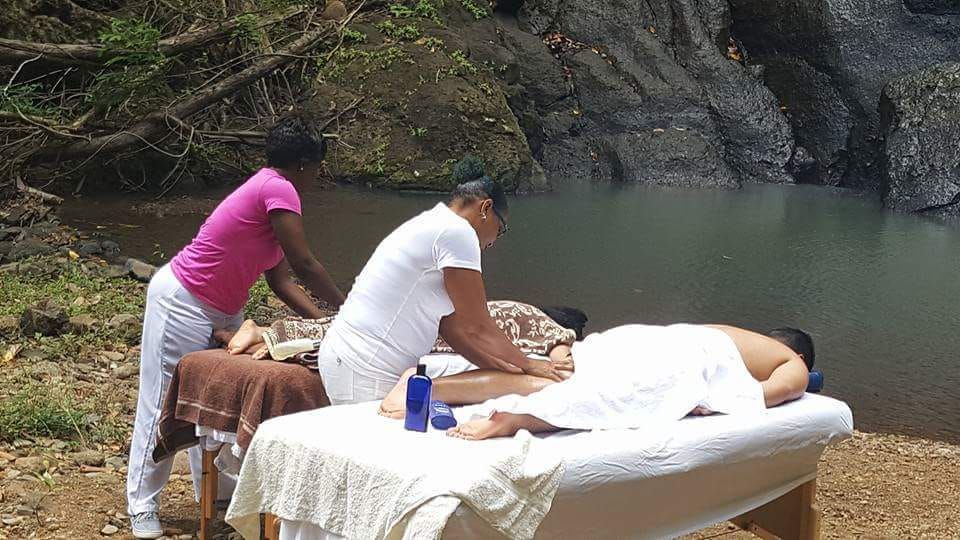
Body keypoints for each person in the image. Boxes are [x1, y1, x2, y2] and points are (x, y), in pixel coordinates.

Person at [126, 114, 346, 539]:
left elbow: (281, 280)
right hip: (183, 300)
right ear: (303, 164)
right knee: (161, 401)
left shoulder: (270, 192)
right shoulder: (279, 188)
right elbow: (305, 265)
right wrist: (345, 308)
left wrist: (325, 323)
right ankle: (141, 504)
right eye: (317, 167)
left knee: (212, 395)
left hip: (225, 308)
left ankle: (213, 493)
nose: (318, 176)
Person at [317, 158, 572, 406]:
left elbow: (452, 329)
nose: (494, 241)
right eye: (500, 228)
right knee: (527, 383)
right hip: (364, 371)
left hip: (345, 360)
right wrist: (529, 365)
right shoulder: (458, 233)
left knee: (504, 376)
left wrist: (501, 366)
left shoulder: (435, 222)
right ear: (485, 208)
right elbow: (478, 328)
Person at [378, 322, 815, 440]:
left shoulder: (736, 335)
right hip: (684, 356)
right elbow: (791, 384)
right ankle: (519, 419)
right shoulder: (785, 357)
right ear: (796, 350)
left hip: (640, 338)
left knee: (554, 374)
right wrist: (729, 397)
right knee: (611, 397)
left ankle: (429, 383)